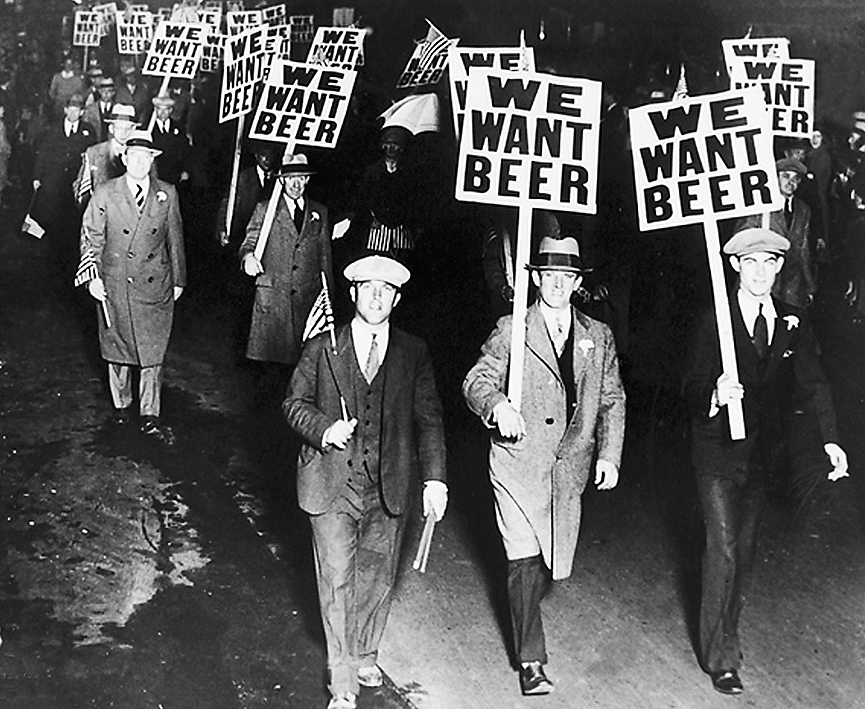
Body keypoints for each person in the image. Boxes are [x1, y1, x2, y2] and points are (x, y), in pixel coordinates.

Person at [682, 227, 848, 696]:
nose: (760, 272)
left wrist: (830, 441)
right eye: (750, 263)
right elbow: (689, 383)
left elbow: (814, 384)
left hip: (762, 457)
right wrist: (714, 393)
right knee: (725, 547)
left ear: (779, 269)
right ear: (735, 267)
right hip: (715, 450)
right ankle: (721, 658)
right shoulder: (712, 318)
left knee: (746, 553)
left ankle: (727, 634)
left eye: (769, 263)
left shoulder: (793, 320)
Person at [462, 236, 626, 696]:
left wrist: (609, 454)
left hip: (567, 469)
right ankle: (531, 660)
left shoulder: (598, 335)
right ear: (534, 278)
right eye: (548, 276)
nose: (557, 285)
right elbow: (476, 379)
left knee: (550, 561)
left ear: (577, 283)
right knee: (524, 560)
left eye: (566, 277)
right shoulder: (512, 327)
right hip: (516, 462)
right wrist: (497, 406)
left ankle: (529, 643)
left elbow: (612, 399)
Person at [283, 254, 448, 709]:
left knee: (377, 577)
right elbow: (293, 403)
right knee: (336, 578)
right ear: (353, 293)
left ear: (396, 298)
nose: (376, 297)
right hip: (331, 483)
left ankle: (366, 651)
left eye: (386, 290)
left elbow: (429, 419)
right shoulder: (323, 347)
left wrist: (435, 480)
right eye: (367, 288)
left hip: (388, 485)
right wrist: (324, 429)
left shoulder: (412, 352)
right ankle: (343, 683)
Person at [77, 130, 186, 443]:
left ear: (152, 161)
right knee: (118, 348)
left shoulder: (167, 193)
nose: (140, 163)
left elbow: (174, 239)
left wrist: (179, 279)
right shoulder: (105, 192)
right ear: (124, 159)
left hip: (155, 283)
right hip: (115, 281)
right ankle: (122, 404)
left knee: (153, 350)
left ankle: (150, 413)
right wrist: (92, 277)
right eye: (134, 156)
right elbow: (91, 237)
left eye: (146, 157)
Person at [238, 152, 334, 401]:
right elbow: (249, 242)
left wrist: (328, 299)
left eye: (301, 178)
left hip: (306, 303)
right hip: (273, 302)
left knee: (302, 374)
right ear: (281, 180)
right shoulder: (265, 209)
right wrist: (248, 257)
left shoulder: (319, 213)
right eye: (291, 178)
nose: (296, 184)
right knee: (270, 376)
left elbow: (325, 258)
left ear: (307, 180)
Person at [31, 92, 96, 283]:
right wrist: (37, 177)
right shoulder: (52, 130)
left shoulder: (88, 131)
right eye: (71, 109)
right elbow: (42, 154)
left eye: (78, 110)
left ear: (82, 112)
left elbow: (92, 156)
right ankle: (48, 259)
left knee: (71, 220)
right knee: (51, 218)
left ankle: (66, 260)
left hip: (74, 184)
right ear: (65, 110)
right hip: (53, 182)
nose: (74, 113)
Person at [738, 157, 816, 308]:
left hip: (792, 284)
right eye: (785, 176)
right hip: (762, 279)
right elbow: (742, 239)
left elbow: (804, 250)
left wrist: (809, 285)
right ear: (775, 178)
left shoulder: (803, 210)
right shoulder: (760, 206)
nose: (790, 182)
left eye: (796, 179)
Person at [73, 104, 138, 209]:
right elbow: (81, 189)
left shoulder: (141, 156)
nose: (123, 133)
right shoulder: (94, 153)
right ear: (111, 128)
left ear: (134, 129)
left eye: (128, 129)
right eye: (119, 128)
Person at [150, 94, 190, 186]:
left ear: (170, 110)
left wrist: (186, 170)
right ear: (155, 110)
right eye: (160, 109)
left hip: (176, 175)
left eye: (166, 109)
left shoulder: (178, 127)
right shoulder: (149, 129)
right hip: (157, 176)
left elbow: (186, 151)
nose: (163, 113)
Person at [83, 76, 117, 142]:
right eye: (103, 91)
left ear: (113, 93)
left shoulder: (118, 109)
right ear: (99, 91)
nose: (106, 94)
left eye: (109, 91)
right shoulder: (90, 109)